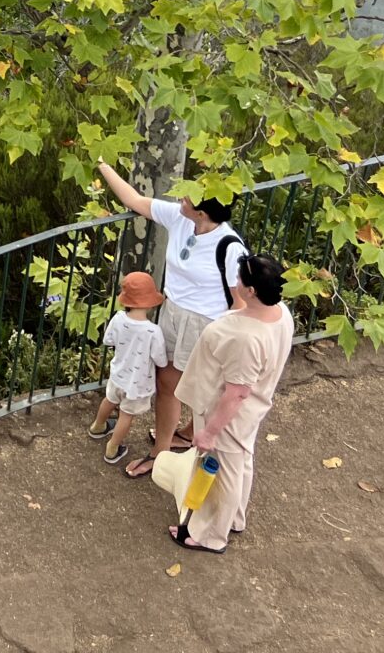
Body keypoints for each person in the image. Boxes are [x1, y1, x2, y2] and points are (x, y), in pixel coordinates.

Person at [94, 160, 245, 479]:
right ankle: (164, 448)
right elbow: (134, 201)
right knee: (168, 383)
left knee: (200, 390)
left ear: (202, 213)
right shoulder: (180, 219)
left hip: (206, 323)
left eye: (187, 197)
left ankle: (183, 440)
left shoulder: (230, 249)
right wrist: (102, 164)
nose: (180, 198)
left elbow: (240, 302)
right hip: (173, 312)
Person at [165, 252, 295, 552]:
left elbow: (237, 391)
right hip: (252, 408)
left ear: (251, 291)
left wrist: (210, 431)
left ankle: (211, 535)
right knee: (239, 463)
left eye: (240, 280)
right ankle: (234, 518)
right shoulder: (281, 314)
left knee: (222, 471)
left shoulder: (246, 338)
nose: (235, 283)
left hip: (229, 413)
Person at [88, 270, 167, 466]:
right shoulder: (153, 331)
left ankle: (98, 426)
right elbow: (161, 360)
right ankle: (112, 448)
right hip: (136, 384)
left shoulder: (118, 318)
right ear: (149, 302)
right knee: (126, 415)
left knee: (110, 399)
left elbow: (108, 340)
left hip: (118, 374)